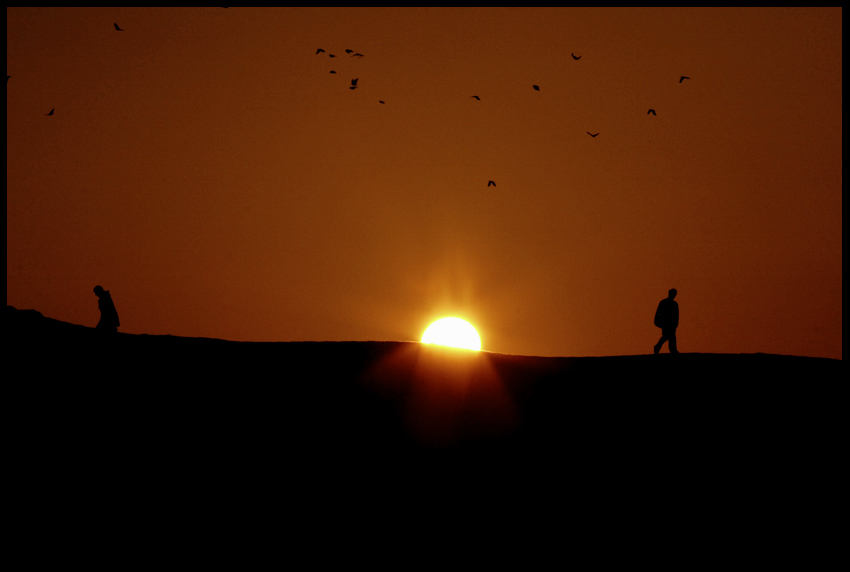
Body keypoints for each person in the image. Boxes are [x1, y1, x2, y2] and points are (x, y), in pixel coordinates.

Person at [653, 288, 679, 354]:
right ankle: (671, 349)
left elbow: (676, 315)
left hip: (671, 323)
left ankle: (672, 349)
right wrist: (657, 321)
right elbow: (658, 312)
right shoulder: (664, 302)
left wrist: (676, 324)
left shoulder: (674, 304)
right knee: (668, 336)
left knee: (670, 336)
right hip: (665, 323)